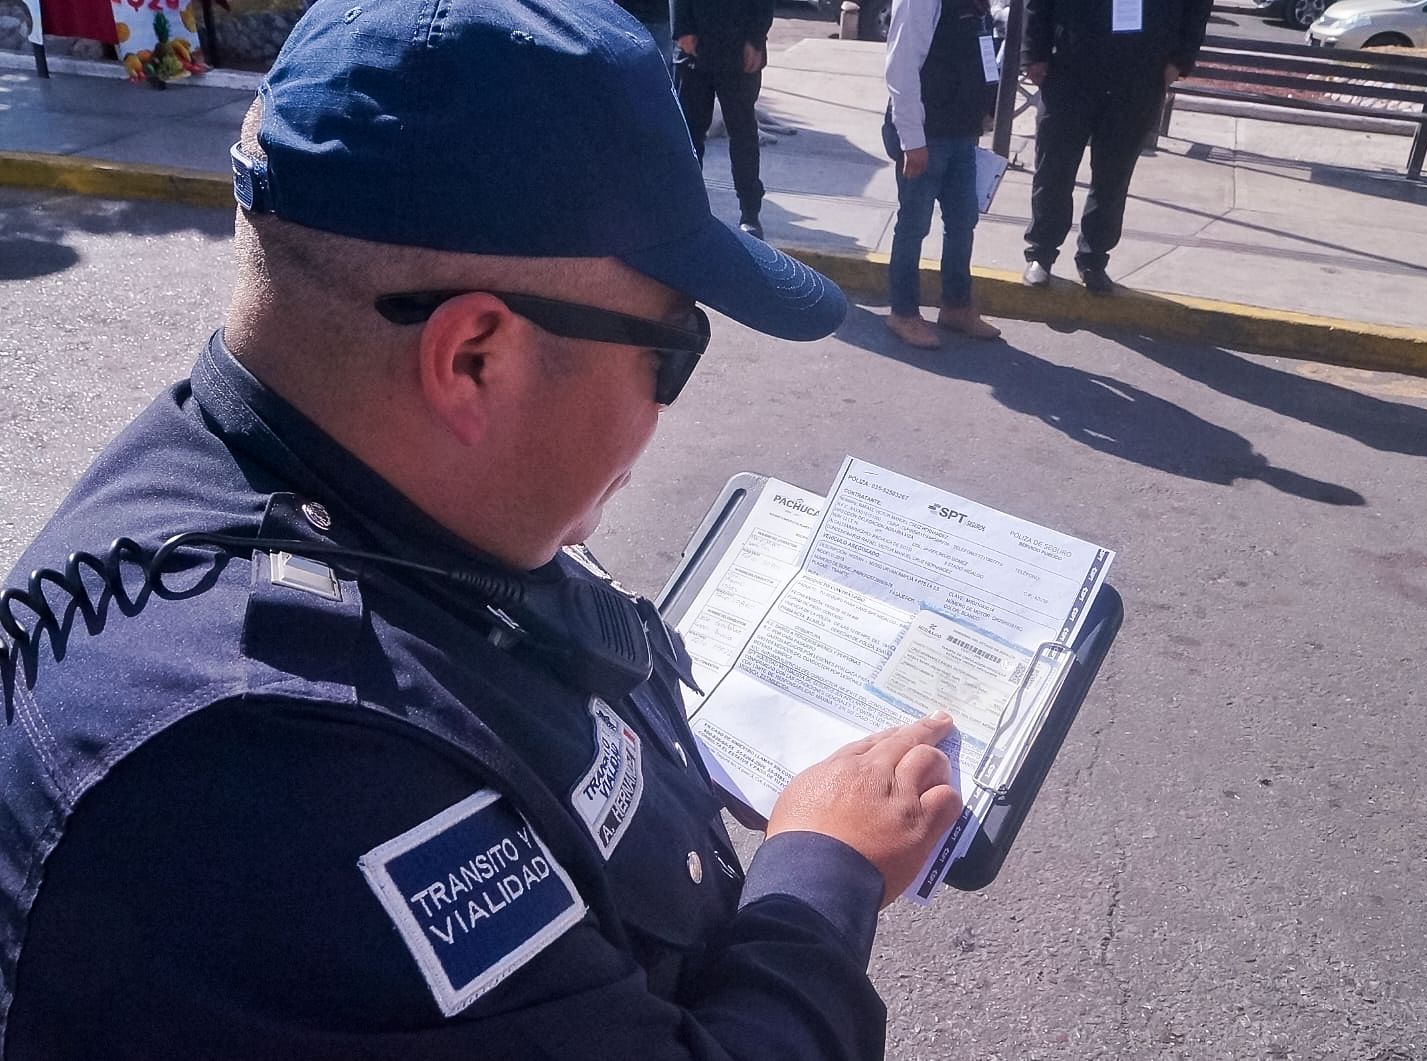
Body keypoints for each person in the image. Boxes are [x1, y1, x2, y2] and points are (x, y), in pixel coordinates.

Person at [0, 1, 965, 1057]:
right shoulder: (259, 774)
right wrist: (824, 869)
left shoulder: (318, 468)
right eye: (670, 351)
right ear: (473, 360)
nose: (665, 403)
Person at [1020, 0, 1211, 293]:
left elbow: (1197, 7)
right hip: (1071, 64)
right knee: (1054, 166)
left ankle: (1093, 259)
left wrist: (1180, 61)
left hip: (1139, 72)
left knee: (1113, 176)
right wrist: (1034, 53)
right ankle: (1041, 254)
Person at [882, 0, 1004, 350]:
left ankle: (956, 306)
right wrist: (912, 140)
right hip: (926, 134)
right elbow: (901, 66)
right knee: (914, 226)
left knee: (963, 221)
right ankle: (903, 313)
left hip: (962, 133)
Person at [673, 0, 773, 238]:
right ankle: (686, 206)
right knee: (688, 134)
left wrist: (756, 38)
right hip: (694, 48)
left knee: (743, 133)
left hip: (740, 48)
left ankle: (750, 211)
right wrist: (682, 28)